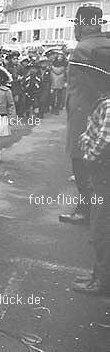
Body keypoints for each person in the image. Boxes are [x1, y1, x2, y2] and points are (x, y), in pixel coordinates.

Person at [62, 6, 110, 225]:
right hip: (98, 113)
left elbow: (91, 86)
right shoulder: (105, 43)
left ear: (81, 25)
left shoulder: (83, 48)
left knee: (81, 161)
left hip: (85, 114)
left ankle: (85, 211)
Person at [74, 68, 110, 296]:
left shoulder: (107, 105)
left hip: (104, 174)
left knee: (101, 229)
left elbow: (105, 140)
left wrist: (88, 156)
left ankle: (102, 280)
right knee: (100, 226)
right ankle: (99, 273)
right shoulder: (102, 102)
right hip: (101, 175)